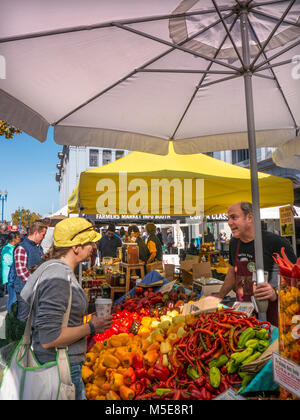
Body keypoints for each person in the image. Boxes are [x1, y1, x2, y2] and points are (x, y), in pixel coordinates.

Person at [20, 217, 113, 400]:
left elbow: (60, 310)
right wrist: (92, 327)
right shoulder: (58, 277)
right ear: (76, 247)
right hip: (60, 369)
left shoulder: (51, 269)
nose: (93, 247)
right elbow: (50, 337)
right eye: (90, 242)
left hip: (55, 364)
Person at [216, 201, 297, 326]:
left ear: (249, 217)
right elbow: (232, 272)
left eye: (234, 217)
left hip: (273, 314)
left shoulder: (276, 242)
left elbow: (295, 280)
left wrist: (275, 292)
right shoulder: (233, 243)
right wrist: (219, 296)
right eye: (228, 218)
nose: (229, 223)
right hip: (244, 314)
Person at [8, 221, 47, 321]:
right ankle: (20, 336)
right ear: (36, 233)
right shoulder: (21, 247)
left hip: (34, 289)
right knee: (23, 318)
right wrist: (36, 283)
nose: (44, 237)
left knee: (34, 319)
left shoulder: (38, 247)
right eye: (43, 234)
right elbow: (22, 272)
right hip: (24, 290)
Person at [0, 232, 21, 299]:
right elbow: (8, 262)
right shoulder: (6, 248)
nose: (20, 239)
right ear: (13, 239)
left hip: (13, 276)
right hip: (8, 277)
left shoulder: (17, 247)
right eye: (18, 237)